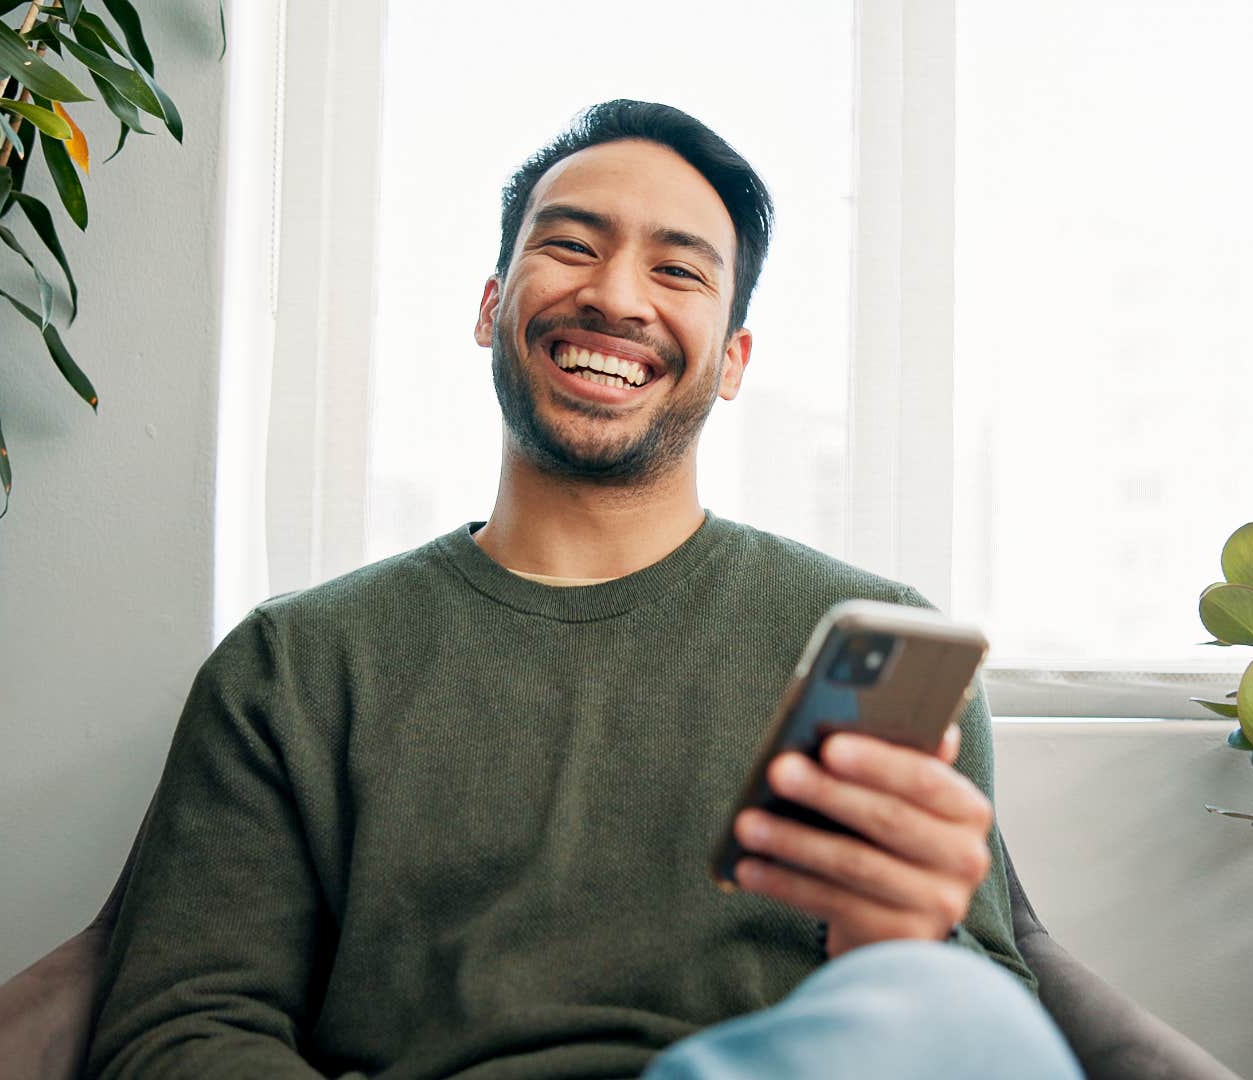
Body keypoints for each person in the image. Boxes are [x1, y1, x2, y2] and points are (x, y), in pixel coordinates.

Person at [87, 99, 1083, 1079]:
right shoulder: (294, 666)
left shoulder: (877, 641)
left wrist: (893, 947)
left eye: (679, 269)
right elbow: (179, 1031)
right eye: (570, 246)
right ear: (491, 307)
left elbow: (986, 1022)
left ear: (733, 359)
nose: (617, 297)